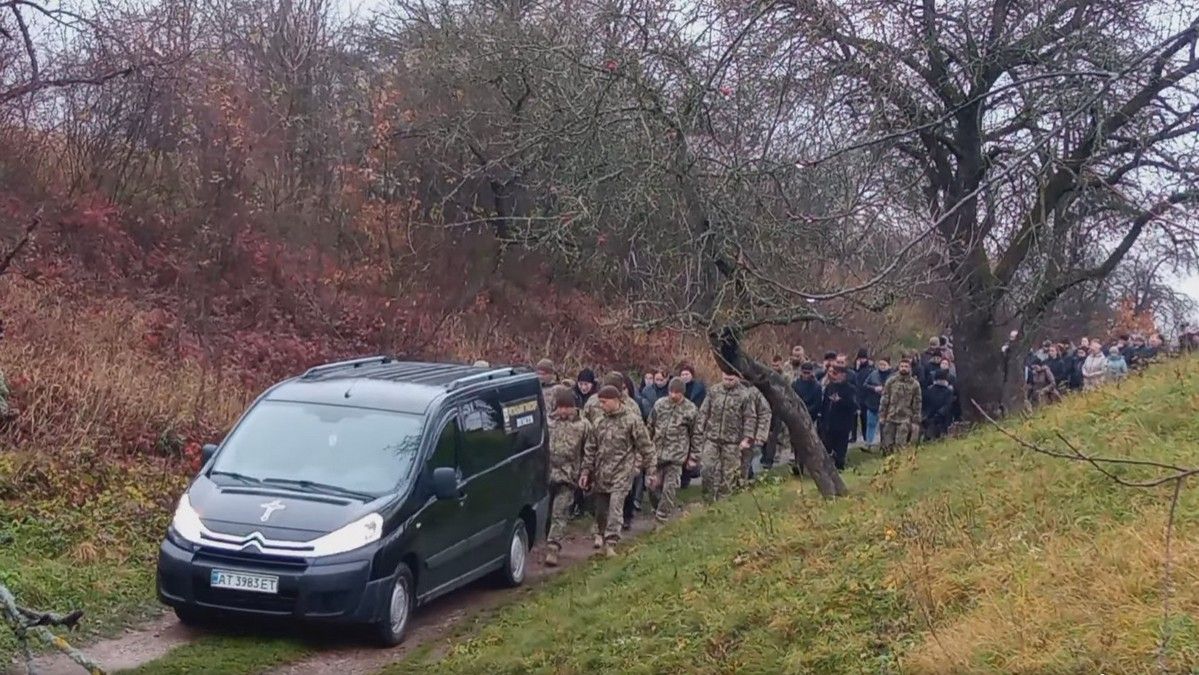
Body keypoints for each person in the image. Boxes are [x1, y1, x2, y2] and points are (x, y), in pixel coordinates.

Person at [579, 386, 655, 557]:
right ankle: (600, 532)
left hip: (623, 472)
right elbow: (590, 449)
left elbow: (646, 447)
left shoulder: (632, 421)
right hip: (601, 473)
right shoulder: (599, 422)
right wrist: (585, 472)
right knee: (601, 510)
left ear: (615, 400)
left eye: (604, 402)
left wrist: (650, 470)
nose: (601, 405)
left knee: (615, 506)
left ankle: (611, 543)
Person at [544, 386, 593, 566]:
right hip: (546, 475)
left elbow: (589, 451)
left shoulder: (583, 425)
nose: (563, 411)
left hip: (568, 477)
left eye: (567, 407)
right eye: (560, 407)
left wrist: (586, 472)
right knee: (547, 515)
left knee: (560, 512)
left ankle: (553, 548)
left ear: (573, 407)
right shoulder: (547, 423)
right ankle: (547, 540)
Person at [696, 372, 756, 502]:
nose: (728, 381)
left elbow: (750, 418)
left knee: (729, 476)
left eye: (731, 379)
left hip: (733, 442)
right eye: (725, 378)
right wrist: (699, 430)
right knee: (706, 469)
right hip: (712, 438)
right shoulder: (714, 391)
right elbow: (704, 411)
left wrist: (747, 438)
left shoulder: (745, 395)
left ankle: (723, 503)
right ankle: (708, 501)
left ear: (738, 378)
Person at [647, 378, 699, 523]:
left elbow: (696, 434)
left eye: (677, 393)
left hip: (676, 456)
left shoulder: (691, 410)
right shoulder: (659, 405)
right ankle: (658, 509)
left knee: (669, 489)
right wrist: (646, 448)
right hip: (657, 454)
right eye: (671, 392)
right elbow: (650, 426)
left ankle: (661, 519)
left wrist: (693, 456)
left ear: (682, 393)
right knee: (652, 487)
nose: (673, 395)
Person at [879, 357, 921, 453]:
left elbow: (917, 403)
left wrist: (916, 420)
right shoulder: (891, 381)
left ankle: (901, 463)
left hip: (905, 417)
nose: (903, 368)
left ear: (910, 368)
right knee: (888, 443)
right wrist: (882, 415)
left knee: (900, 444)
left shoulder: (914, 384)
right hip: (891, 415)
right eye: (901, 366)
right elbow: (885, 399)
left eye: (906, 366)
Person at [820, 366, 858, 470]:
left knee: (840, 450)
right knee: (827, 449)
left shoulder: (850, 389)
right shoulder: (830, 387)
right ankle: (828, 469)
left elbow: (854, 406)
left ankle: (840, 467)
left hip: (843, 425)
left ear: (844, 375)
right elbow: (825, 405)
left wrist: (840, 401)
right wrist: (823, 421)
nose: (836, 376)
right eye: (835, 374)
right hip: (829, 424)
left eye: (838, 374)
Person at [742, 382, 772, 481]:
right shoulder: (721, 390)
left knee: (746, 465)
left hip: (748, 434)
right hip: (729, 435)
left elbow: (765, 413)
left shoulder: (754, 392)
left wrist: (761, 435)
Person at [861, 357, 892, 448]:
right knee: (870, 424)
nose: (882, 366)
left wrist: (886, 390)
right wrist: (874, 388)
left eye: (884, 365)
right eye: (880, 364)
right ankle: (868, 444)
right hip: (872, 403)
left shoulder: (892, 376)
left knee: (885, 426)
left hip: (887, 405)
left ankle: (884, 444)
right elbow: (865, 385)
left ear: (889, 366)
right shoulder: (873, 374)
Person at [921, 369, 954, 441]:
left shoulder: (930, 390)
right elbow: (948, 405)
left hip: (936, 418)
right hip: (938, 419)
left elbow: (925, 405)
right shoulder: (948, 391)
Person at [850, 348, 872, 444]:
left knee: (864, 418)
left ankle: (865, 437)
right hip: (855, 395)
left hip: (865, 396)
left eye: (863, 358)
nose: (862, 360)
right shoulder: (854, 369)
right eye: (860, 358)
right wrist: (856, 368)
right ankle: (853, 436)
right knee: (853, 418)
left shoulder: (869, 369)